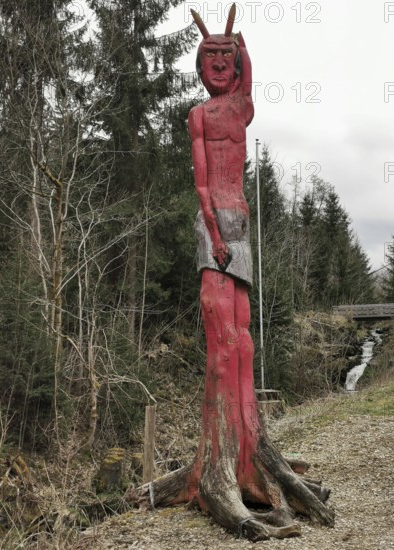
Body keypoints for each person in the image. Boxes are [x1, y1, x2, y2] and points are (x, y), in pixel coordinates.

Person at [189, 6, 257, 434]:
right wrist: (213, 233)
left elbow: (249, 75)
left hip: (242, 225)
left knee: (244, 333)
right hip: (213, 221)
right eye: (209, 54)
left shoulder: (240, 107)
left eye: (224, 55)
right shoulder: (199, 116)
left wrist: (244, 47)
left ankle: (249, 434)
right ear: (199, 64)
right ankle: (222, 447)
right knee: (222, 331)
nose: (217, 61)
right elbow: (200, 185)